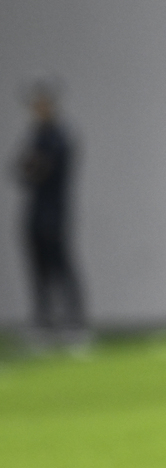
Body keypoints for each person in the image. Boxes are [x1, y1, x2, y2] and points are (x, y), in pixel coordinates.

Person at [16, 80, 86, 334]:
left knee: (61, 267)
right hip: (35, 213)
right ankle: (44, 323)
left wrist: (35, 166)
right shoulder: (35, 136)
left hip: (54, 213)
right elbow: (21, 170)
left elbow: (44, 168)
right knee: (38, 270)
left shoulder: (59, 137)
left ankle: (75, 322)